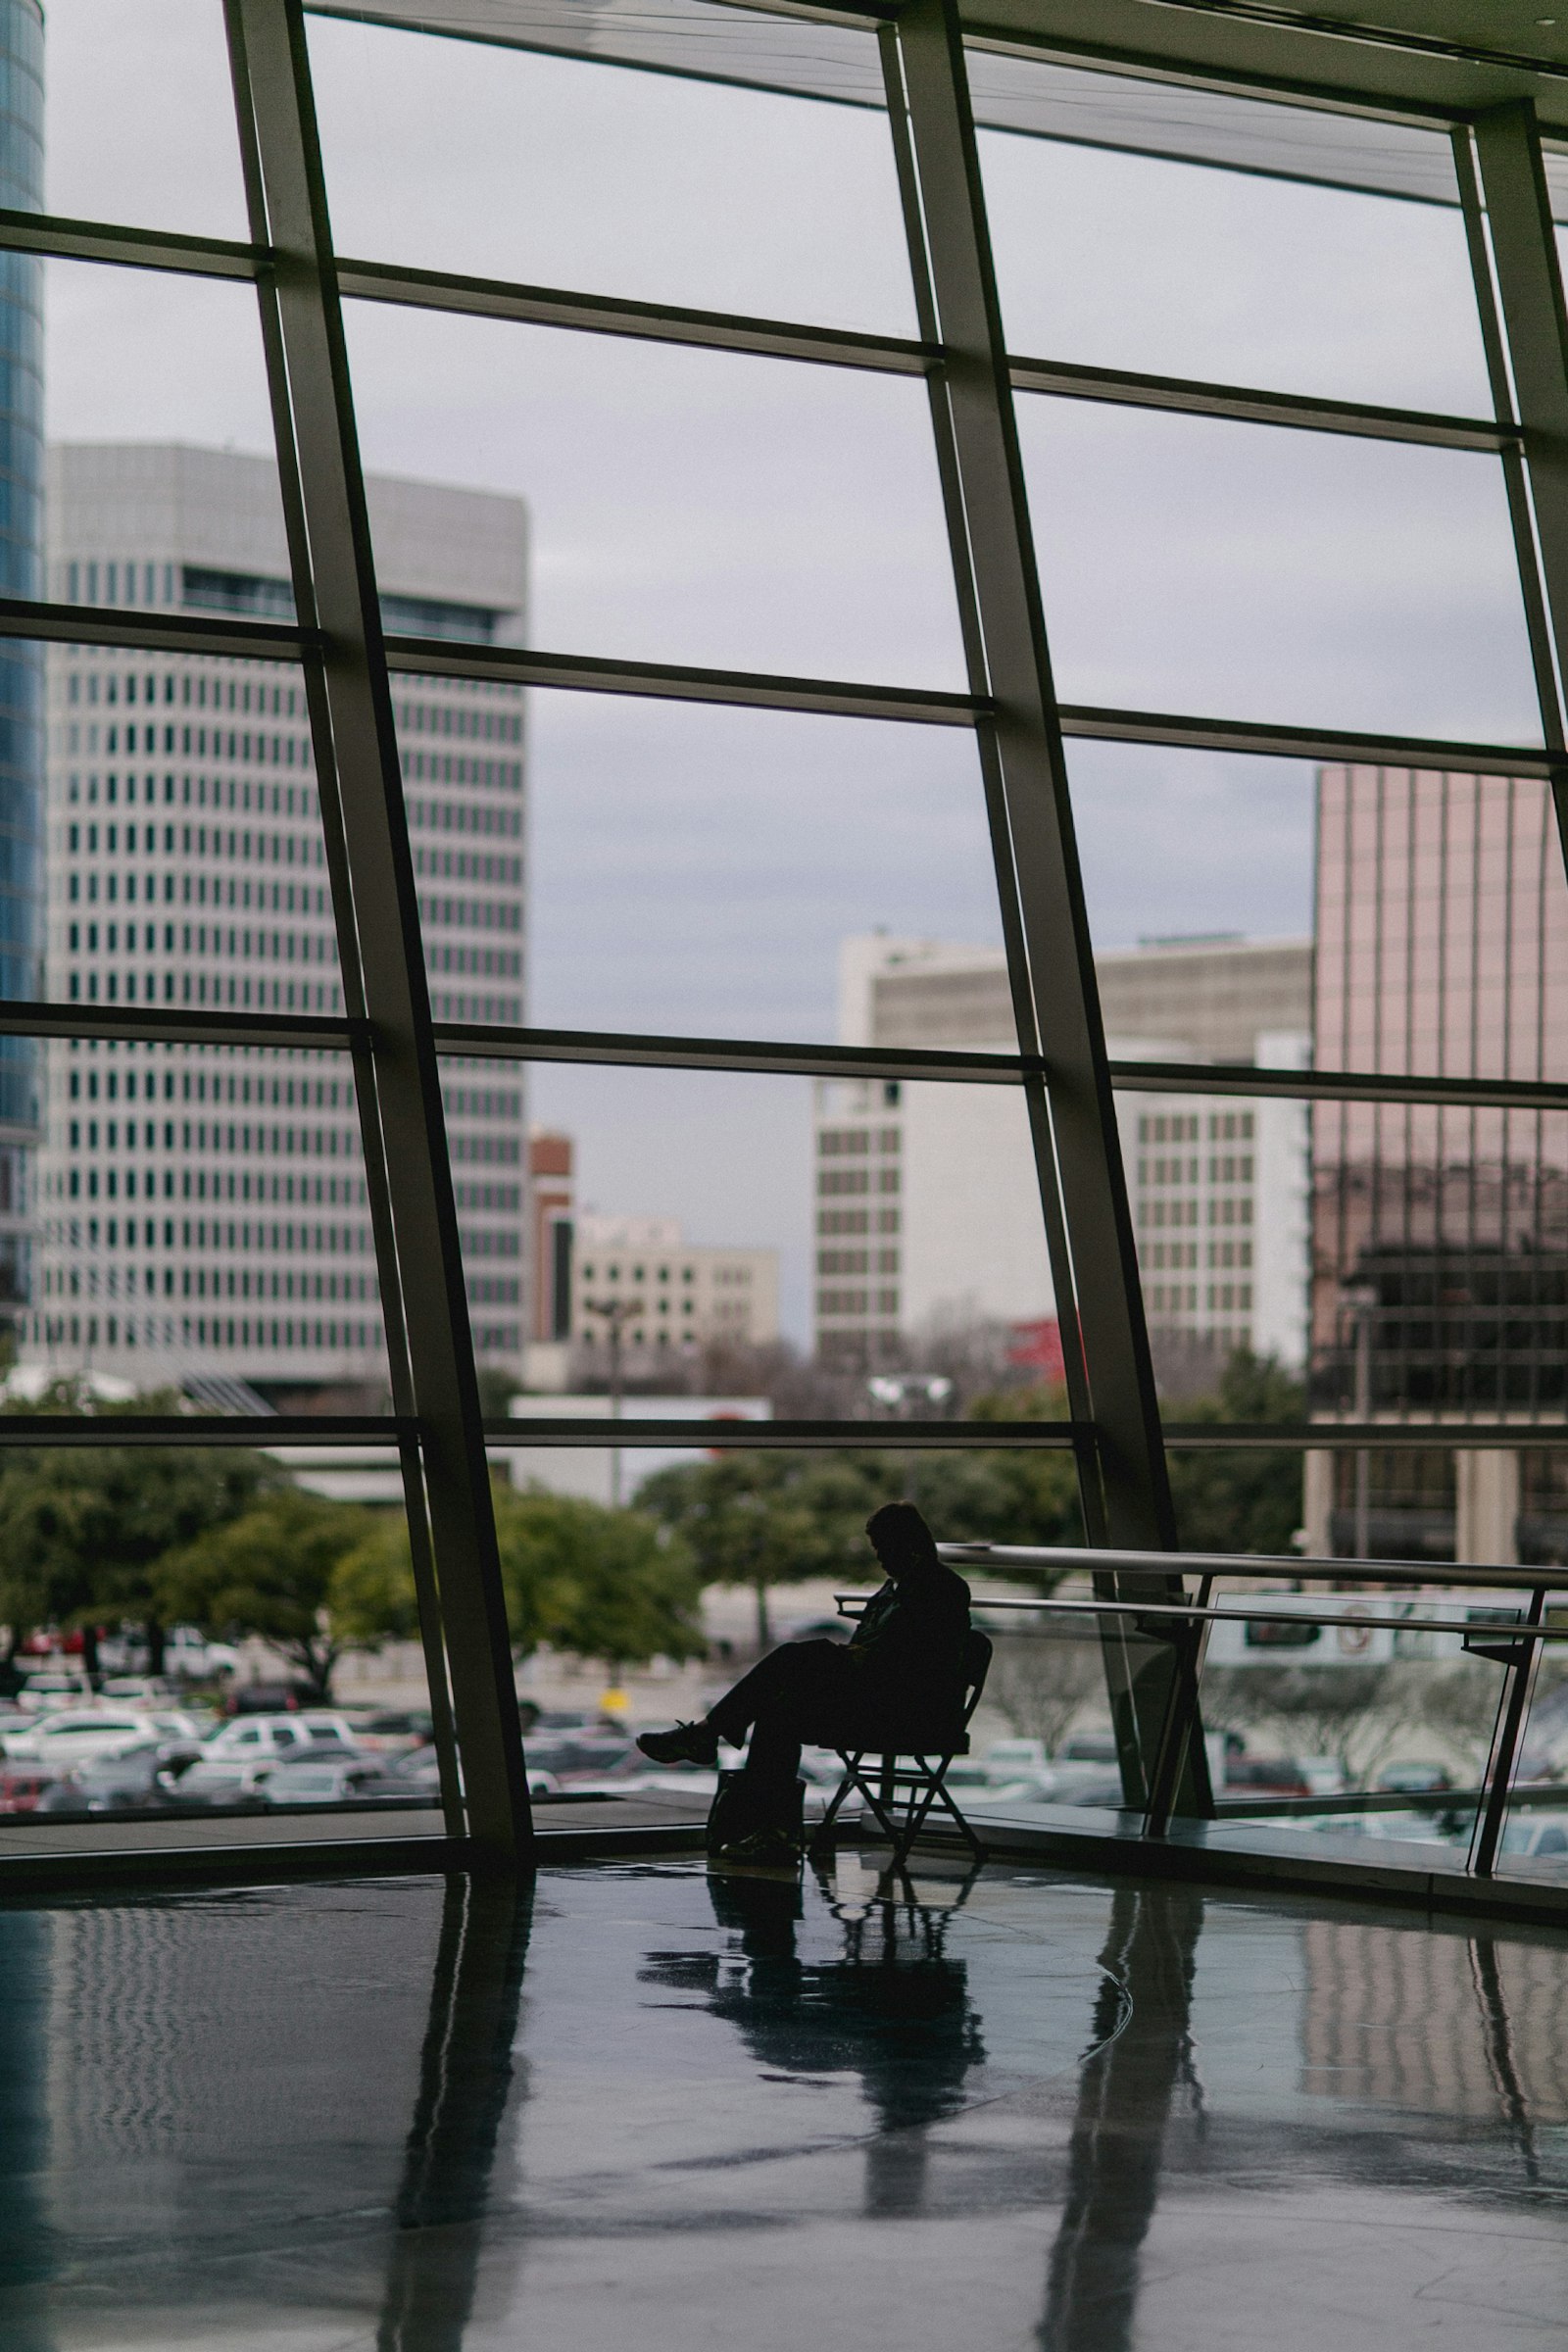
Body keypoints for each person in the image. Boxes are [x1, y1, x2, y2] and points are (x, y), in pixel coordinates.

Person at [636, 1500, 972, 1795]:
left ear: (908, 1545)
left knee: (796, 1658)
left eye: (884, 1547)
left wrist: (864, 1658)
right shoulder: (896, 1589)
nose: (880, 1557)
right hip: (877, 1701)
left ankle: (709, 1736)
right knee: (779, 1707)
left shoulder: (943, 1590)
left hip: (910, 1712)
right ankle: (765, 1824)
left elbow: (926, 1665)